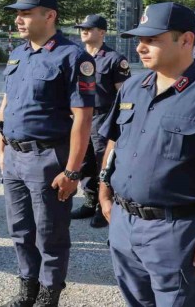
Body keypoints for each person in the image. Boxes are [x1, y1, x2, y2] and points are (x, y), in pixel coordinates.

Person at [98, 2, 195, 306]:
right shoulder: (132, 88)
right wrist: (104, 193)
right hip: (124, 225)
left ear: (186, 40)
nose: (141, 48)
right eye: (140, 40)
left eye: (153, 39)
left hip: (176, 233)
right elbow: (115, 144)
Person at [0, 0, 94, 306]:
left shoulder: (72, 56)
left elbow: (82, 117)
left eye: (26, 13)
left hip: (47, 156)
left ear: (49, 15)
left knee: (50, 232)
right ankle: (28, 285)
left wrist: (73, 169)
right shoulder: (18, 53)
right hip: (13, 155)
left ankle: (49, 292)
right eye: (18, 14)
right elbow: (8, 100)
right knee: (20, 229)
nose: (19, 20)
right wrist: (2, 144)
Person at [71, 14, 130, 228]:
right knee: (83, 160)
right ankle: (89, 200)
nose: (84, 31)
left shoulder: (114, 59)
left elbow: (124, 94)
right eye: (82, 28)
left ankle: (104, 205)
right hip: (79, 116)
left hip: (103, 117)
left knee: (103, 162)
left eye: (89, 28)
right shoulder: (76, 57)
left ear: (102, 32)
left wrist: (120, 122)